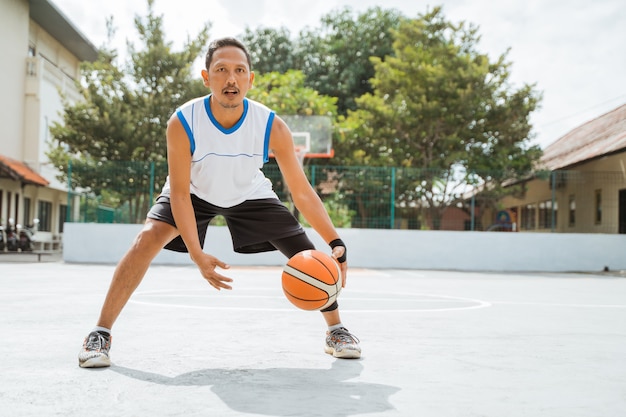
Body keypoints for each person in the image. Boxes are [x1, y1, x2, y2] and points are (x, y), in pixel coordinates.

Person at [78, 37, 361, 368]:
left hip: (248, 194)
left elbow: (301, 190)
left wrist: (336, 241)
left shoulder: (271, 125)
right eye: (221, 70)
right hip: (194, 191)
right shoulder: (184, 121)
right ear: (206, 77)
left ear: (250, 79)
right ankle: (100, 333)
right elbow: (180, 193)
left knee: (307, 254)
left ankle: (336, 330)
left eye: (240, 70)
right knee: (146, 239)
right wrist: (197, 255)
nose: (231, 79)